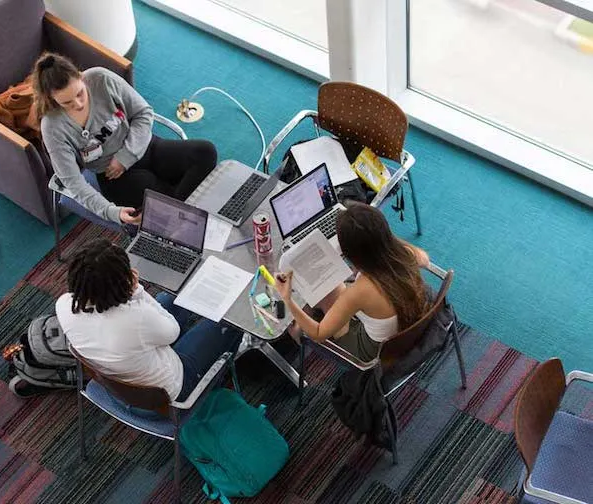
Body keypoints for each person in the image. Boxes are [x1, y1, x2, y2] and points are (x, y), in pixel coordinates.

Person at [33, 52, 217, 226]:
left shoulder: (100, 78)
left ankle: (179, 216)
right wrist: (112, 212)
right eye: (67, 103)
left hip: (145, 146)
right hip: (114, 176)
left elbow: (143, 113)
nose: (78, 104)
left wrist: (125, 156)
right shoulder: (52, 127)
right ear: (51, 98)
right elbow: (73, 182)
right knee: (163, 201)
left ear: (81, 77)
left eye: (80, 93)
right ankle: (184, 214)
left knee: (205, 152)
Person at [56, 239, 243, 403]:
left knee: (168, 298)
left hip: (120, 384)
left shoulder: (64, 305)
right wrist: (137, 291)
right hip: (172, 391)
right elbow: (172, 331)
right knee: (230, 318)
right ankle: (217, 376)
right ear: (121, 283)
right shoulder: (134, 319)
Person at [274, 202, 431, 362]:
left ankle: (297, 334)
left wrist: (287, 299)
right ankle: (302, 322)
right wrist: (382, 238)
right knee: (331, 290)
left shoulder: (360, 291)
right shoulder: (404, 254)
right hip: (405, 326)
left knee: (327, 291)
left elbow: (319, 334)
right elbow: (425, 260)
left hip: (369, 351)